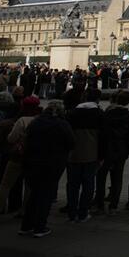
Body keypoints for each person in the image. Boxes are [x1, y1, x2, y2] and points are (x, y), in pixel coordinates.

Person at [20, 101, 74, 238]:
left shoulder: (36, 122)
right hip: (52, 164)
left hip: (33, 163)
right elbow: (71, 143)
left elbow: (26, 140)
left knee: (34, 194)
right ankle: (40, 226)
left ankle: (26, 226)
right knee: (46, 195)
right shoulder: (62, 124)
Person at [0, 95, 40, 224]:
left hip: (17, 157)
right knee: (29, 186)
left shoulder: (21, 120)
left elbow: (11, 139)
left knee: (5, 185)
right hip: (33, 158)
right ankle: (24, 210)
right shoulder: (39, 119)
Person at [65, 87, 105, 223]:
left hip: (73, 154)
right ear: (98, 99)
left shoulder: (72, 113)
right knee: (88, 184)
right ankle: (83, 212)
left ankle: (71, 212)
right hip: (91, 154)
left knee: (72, 184)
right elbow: (103, 138)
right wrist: (102, 156)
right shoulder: (99, 114)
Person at [95, 90, 129, 215]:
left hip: (106, 149)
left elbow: (101, 134)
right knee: (117, 178)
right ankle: (113, 206)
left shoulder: (107, 114)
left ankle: (99, 204)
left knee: (101, 177)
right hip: (121, 150)